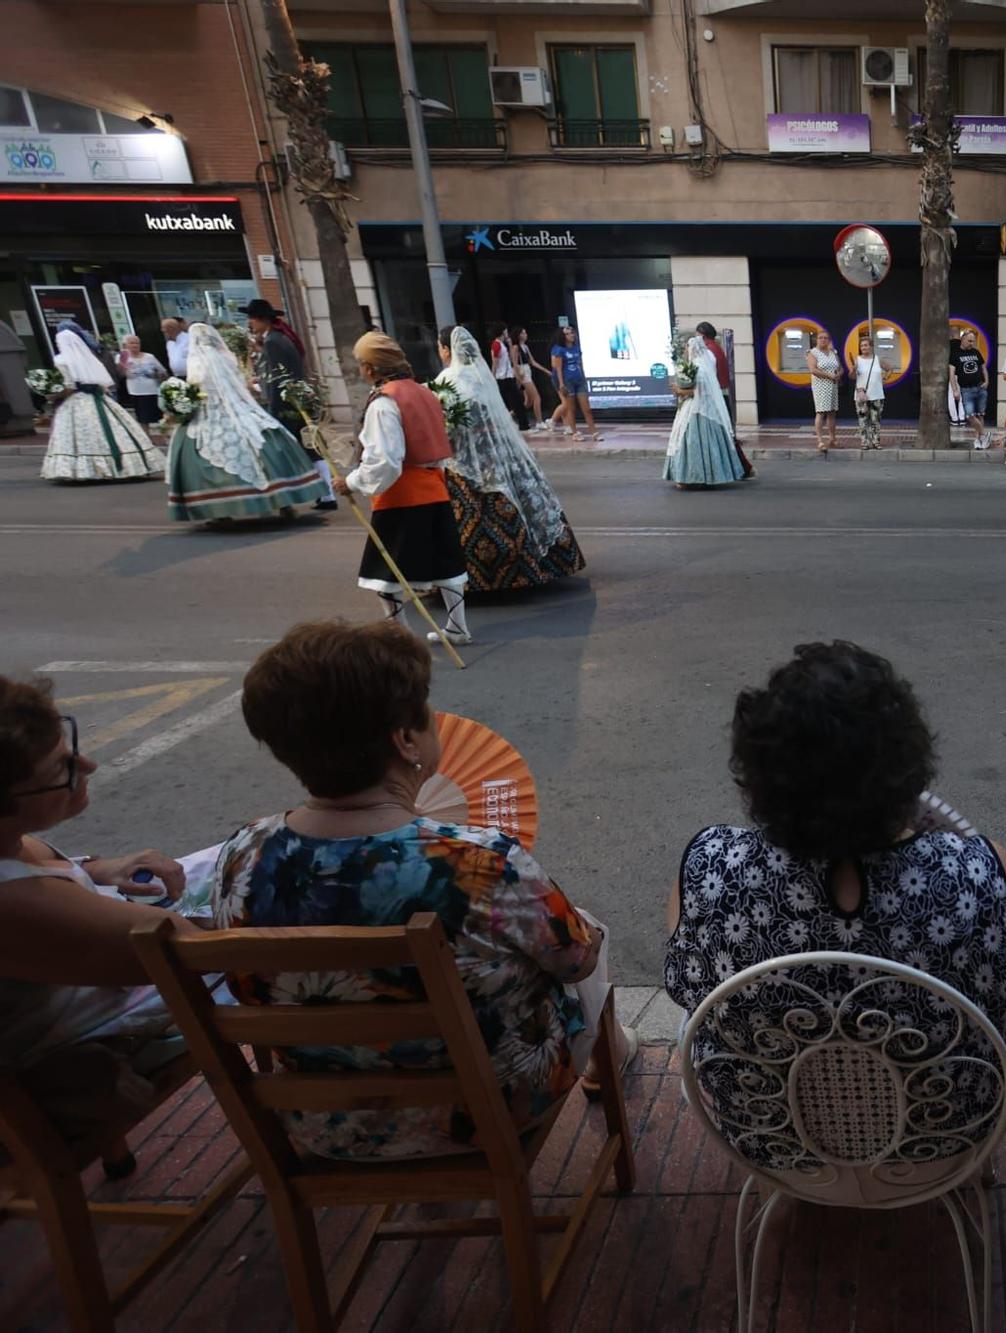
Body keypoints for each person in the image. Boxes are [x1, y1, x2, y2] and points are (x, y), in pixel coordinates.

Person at [211, 620, 625, 1160]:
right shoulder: (479, 861)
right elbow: (577, 964)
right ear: (406, 740)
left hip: (325, 1123)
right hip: (487, 1112)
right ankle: (615, 1053)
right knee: (588, 932)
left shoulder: (243, 856)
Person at [663, 640, 1006, 1168]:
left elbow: (686, 981)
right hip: (944, 1139)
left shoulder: (710, 870)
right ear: (906, 766)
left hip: (773, 1140)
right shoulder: (982, 872)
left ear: (762, 774)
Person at [1, 675, 197, 1146]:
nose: (88, 764)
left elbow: (33, 861)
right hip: (69, 1067)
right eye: (62, 769)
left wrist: (97, 869)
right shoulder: (16, 906)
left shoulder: (10, 844)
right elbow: (189, 954)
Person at [335, 331, 470, 645]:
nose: (360, 370)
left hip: (401, 495)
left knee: (385, 571)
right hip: (434, 488)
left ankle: (400, 636)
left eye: (361, 364)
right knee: (445, 563)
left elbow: (386, 460)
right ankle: (458, 627)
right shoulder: (424, 392)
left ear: (371, 368)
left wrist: (352, 482)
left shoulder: (384, 402)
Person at [434, 327, 586, 591]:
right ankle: (532, 568)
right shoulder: (483, 378)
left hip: (465, 461)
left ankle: (481, 579)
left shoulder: (448, 380)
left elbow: (446, 424)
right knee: (520, 503)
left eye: (439, 346)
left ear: (447, 350)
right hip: (500, 457)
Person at [164, 323, 324, 522]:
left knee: (208, 455)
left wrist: (182, 403)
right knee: (265, 450)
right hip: (241, 409)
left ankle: (220, 511)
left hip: (210, 412)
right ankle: (284, 503)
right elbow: (241, 383)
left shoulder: (197, 360)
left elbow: (197, 388)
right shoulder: (226, 357)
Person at [41, 328, 165, 483]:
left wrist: (52, 395)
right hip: (98, 399)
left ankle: (88, 469)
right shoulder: (88, 358)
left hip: (76, 401)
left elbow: (69, 386)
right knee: (115, 430)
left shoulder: (61, 360)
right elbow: (102, 385)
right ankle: (123, 465)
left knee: (81, 434)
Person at [664, 334, 746, 490]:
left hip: (697, 410)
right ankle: (704, 476)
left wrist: (678, 389)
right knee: (700, 443)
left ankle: (692, 477)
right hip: (701, 409)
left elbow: (695, 392)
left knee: (690, 443)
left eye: (688, 347)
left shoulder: (699, 369)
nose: (686, 350)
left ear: (693, 349)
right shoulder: (702, 366)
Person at [697, 321, 753, 476]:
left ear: (702, 335)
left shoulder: (709, 351)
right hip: (721, 394)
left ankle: (742, 468)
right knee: (726, 435)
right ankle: (741, 468)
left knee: (723, 435)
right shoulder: (717, 348)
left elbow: (707, 377)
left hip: (715, 397)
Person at [548, 325, 599, 441]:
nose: (571, 335)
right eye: (568, 333)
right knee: (571, 408)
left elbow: (580, 364)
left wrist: (584, 377)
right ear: (563, 336)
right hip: (567, 380)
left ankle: (594, 432)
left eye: (572, 332)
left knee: (587, 408)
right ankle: (574, 432)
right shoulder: (559, 349)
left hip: (579, 380)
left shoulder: (576, 348)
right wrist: (561, 384)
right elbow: (558, 368)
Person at [116, 335, 168, 433]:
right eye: (131, 343)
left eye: (137, 343)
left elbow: (163, 372)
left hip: (153, 390)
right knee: (142, 418)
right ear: (126, 345)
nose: (135, 345)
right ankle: (147, 439)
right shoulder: (122, 357)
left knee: (161, 416)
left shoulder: (149, 357)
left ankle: (165, 436)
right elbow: (121, 374)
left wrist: (156, 375)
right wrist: (124, 358)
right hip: (136, 391)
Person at [950, 328, 990, 450]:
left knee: (980, 415)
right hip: (966, 389)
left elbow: (983, 368)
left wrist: (987, 381)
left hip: (980, 387)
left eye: (973, 341)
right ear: (962, 339)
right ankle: (984, 435)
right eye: (969, 341)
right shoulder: (955, 354)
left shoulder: (976, 352)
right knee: (970, 415)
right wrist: (955, 390)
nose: (971, 343)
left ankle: (978, 440)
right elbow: (951, 373)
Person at [807, 329, 842, 455]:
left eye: (826, 338)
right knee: (821, 412)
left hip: (833, 385)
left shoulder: (833, 352)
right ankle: (820, 440)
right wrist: (829, 375)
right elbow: (813, 370)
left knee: (832, 412)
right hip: (820, 386)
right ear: (817, 339)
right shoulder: (813, 353)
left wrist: (839, 374)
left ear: (829, 340)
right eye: (821, 337)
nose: (823, 340)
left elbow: (840, 367)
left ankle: (832, 438)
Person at [511, 327, 551, 432]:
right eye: (523, 333)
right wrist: (518, 378)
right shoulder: (515, 347)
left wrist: (546, 371)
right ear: (519, 335)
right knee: (536, 397)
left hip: (528, 371)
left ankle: (511, 414)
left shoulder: (525, 347)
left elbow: (532, 362)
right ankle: (539, 421)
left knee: (527, 402)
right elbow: (514, 364)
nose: (525, 334)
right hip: (523, 373)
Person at [852, 332, 886, 451]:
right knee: (863, 420)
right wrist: (853, 370)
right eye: (862, 346)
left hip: (877, 394)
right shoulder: (857, 360)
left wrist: (885, 377)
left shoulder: (878, 359)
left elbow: (890, 369)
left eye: (866, 345)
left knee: (876, 420)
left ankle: (876, 441)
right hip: (861, 395)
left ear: (871, 346)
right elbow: (852, 376)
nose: (864, 348)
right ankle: (864, 442)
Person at [489, 325, 528, 430]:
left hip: (508, 376)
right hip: (502, 377)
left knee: (516, 400)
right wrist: (492, 376)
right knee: (512, 400)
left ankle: (523, 424)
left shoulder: (502, 344)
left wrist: (510, 345)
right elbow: (495, 362)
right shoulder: (496, 345)